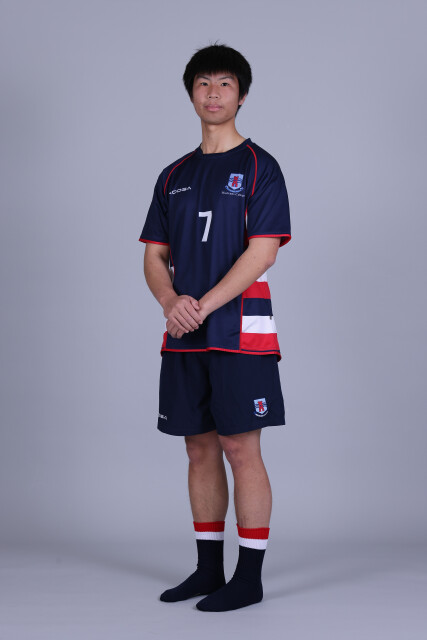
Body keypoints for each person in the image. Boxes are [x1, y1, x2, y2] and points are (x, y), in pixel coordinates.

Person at [139, 42, 292, 612]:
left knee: (239, 448)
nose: (213, 93)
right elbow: (154, 256)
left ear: (242, 95)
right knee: (199, 450)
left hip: (242, 334)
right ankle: (208, 570)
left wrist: (200, 305)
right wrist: (169, 301)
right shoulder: (173, 175)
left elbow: (263, 251)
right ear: (191, 94)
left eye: (224, 83)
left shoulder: (260, 166)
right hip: (183, 334)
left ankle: (248, 578)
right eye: (203, 83)